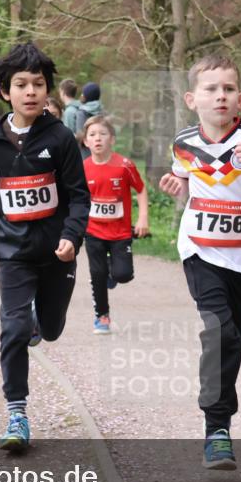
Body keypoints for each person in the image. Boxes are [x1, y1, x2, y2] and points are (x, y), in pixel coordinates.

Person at [158, 55, 241, 470]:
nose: (221, 96)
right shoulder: (184, 142)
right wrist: (176, 183)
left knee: (234, 335)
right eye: (212, 89)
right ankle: (217, 429)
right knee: (219, 332)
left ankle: (218, 418)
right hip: (199, 249)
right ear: (192, 99)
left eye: (228, 89)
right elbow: (184, 176)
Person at [0, 42, 90, 451]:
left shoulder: (62, 139)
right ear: (5, 91)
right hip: (13, 254)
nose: (30, 91)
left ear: (47, 90)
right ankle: (17, 414)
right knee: (12, 329)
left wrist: (71, 236)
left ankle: (39, 319)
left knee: (49, 329)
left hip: (56, 255)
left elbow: (79, 196)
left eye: (38, 84)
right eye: (21, 84)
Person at [81, 115, 148, 333]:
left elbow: (141, 189)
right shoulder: (82, 168)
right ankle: (102, 316)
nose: (97, 138)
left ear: (112, 140)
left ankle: (113, 269)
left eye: (103, 134)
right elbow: (76, 198)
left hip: (120, 233)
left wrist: (143, 218)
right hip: (93, 231)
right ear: (86, 142)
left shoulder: (124, 165)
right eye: (92, 135)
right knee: (97, 275)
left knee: (123, 274)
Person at [75, 82, 104, 158]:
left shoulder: (81, 112)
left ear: (86, 96)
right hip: (102, 152)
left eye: (83, 93)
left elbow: (80, 135)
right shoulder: (102, 110)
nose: (81, 95)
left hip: (86, 153)